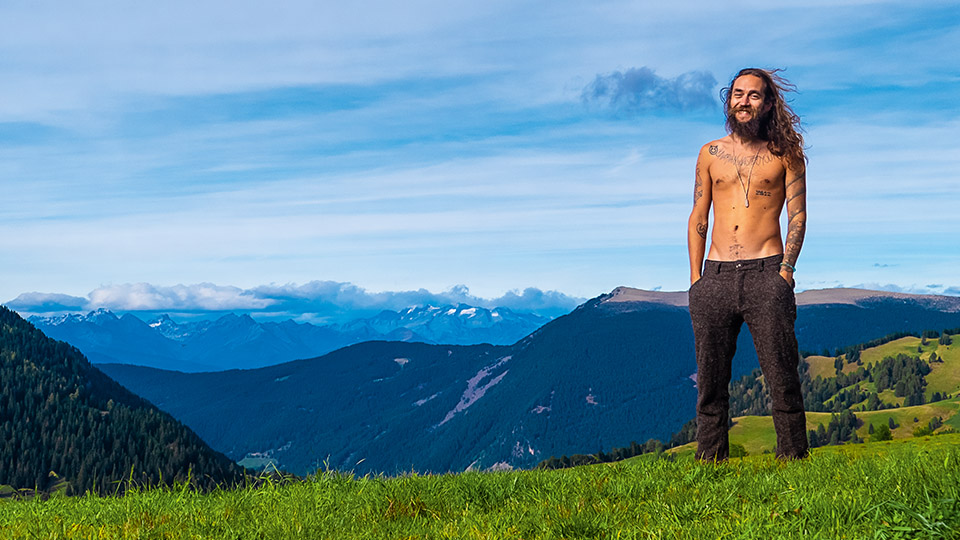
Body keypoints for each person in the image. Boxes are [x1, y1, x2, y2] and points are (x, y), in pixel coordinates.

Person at [686, 68, 808, 461]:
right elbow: (698, 215)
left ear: (768, 104)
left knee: (782, 377)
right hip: (715, 275)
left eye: (754, 95)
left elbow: (798, 215)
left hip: (767, 273)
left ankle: (794, 460)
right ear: (729, 100)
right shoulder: (710, 153)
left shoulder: (786, 154)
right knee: (710, 383)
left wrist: (785, 272)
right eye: (738, 93)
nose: (744, 101)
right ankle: (710, 464)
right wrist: (696, 280)